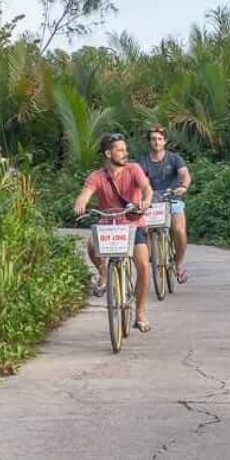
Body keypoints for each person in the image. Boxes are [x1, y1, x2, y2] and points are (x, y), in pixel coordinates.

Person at [73, 132, 155, 332]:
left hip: (133, 223)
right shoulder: (97, 176)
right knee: (92, 244)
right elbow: (85, 194)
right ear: (108, 154)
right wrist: (81, 204)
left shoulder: (133, 169)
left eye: (125, 150)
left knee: (144, 266)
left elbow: (147, 188)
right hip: (108, 225)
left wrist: (146, 200)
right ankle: (103, 274)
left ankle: (141, 313)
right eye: (120, 150)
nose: (124, 153)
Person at [139, 125, 193, 283]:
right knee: (144, 231)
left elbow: (185, 175)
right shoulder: (143, 160)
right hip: (151, 200)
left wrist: (183, 187)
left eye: (159, 139)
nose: (156, 142)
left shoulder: (174, 158)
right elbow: (139, 179)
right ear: (149, 141)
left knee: (179, 230)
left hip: (172, 198)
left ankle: (179, 263)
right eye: (153, 139)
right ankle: (147, 264)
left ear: (165, 141)